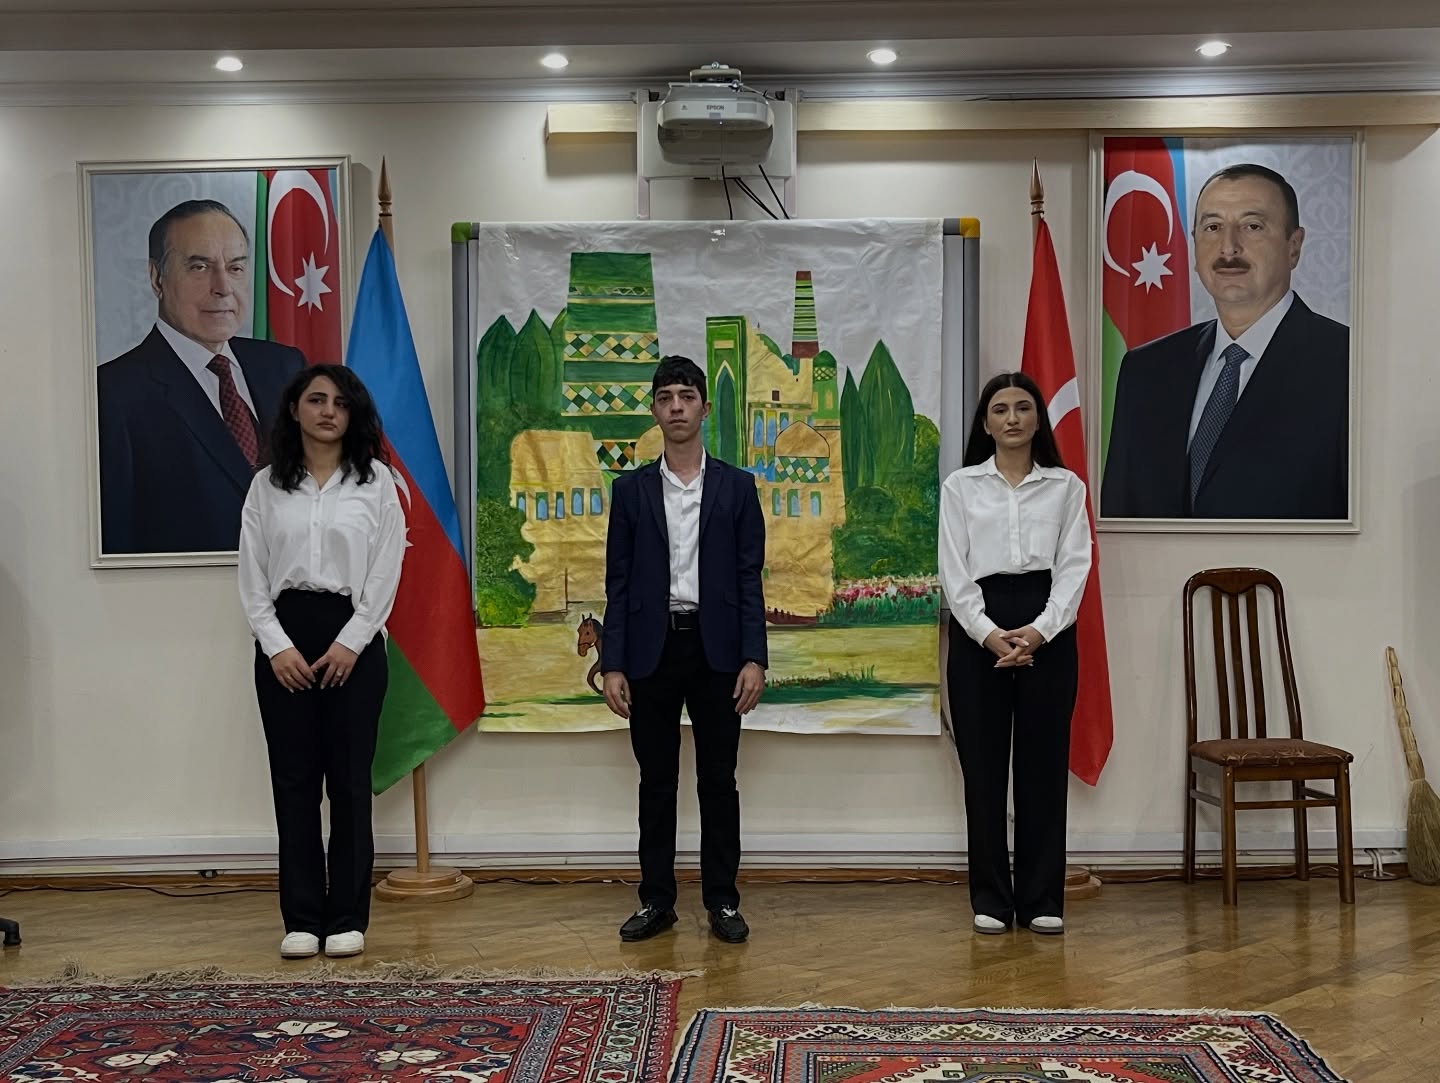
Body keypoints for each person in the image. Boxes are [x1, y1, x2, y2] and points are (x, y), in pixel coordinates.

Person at [237, 364, 405, 959]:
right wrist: (276, 645)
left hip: (354, 636)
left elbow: (386, 571)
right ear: (294, 410)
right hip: (284, 637)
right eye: (315, 399)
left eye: (340, 402)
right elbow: (251, 576)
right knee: (295, 783)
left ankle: (348, 917)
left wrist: (352, 642)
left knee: (350, 784)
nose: (328, 411)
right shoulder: (267, 487)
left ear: (353, 413)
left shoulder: (377, 483)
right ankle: (303, 917)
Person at [600, 355, 768, 944]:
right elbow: (618, 583)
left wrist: (755, 658)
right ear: (653, 409)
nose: (676, 407)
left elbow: (750, 578)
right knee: (656, 781)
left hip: (718, 652)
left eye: (687, 396)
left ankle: (723, 901)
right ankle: (657, 900)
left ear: (705, 407)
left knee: (719, 780)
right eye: (666, 397)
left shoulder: (737, 487)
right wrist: (613, 663)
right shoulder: (630, 491)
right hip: (650, 652)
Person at [1101, 163, 1348, 519]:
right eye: (1213, 227)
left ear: (1293, 247)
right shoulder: (1145, 370)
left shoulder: (1347, 363)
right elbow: (1119, 517)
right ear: (1194, 244)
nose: (1228, 248)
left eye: (1252, 226)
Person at [940, 372, 1091, 936]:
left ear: (1037, 419)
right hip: (977, 626)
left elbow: (1075, 565)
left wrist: (1040, 631)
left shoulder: (1066, 487)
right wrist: (987, 634)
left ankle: (1041, 899)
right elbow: (954, 571)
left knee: (1042, 768)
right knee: (982, 770)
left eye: (1022, 407)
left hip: (1047, 626)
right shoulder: (961, 487)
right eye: (1000, 409)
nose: (1011, 418)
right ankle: (991, 898)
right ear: (985, 422)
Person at [98, 199, 305, 554]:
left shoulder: (286, 367)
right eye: (199, 266)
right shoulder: (112, 393)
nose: (223, 287)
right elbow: (114, 547)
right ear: (157, 278)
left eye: (235, 267)